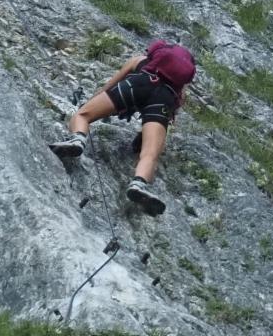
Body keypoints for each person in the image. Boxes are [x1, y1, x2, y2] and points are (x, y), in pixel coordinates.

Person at [49, 40, 196, 216]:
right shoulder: (177, 90)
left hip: (138, 84)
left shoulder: (140, 61)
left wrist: (92, 103)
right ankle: (138, 183)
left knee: (82, 115)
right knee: (150, 154)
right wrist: (145, 135)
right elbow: (172, 113)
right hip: (163, 100)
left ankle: (78, 139)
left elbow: (111, 86)